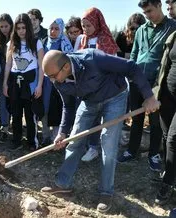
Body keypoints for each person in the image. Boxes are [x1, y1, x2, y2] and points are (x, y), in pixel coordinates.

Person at [40, 49, 160, 213]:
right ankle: (63, 184)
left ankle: (105, 192)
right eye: (49, 77)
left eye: (53, 76)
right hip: (89, 101)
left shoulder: (94, 59)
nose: (52, 80)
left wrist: (149, 96)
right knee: (74, 140)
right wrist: (62, 132)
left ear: (66, 67)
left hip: (115, 97)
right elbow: (68, 106)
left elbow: (131, 67)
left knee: (108, 146)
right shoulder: (58, 81)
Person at [118, 0, 176, 173]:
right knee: (136, 117)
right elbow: (135, 52)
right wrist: (131, 72)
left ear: (159, 5)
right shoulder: (142, 29)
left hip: (158, 83)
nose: (148, 15)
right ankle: (132, 150)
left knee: (156, 121)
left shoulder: (172, 27)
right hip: (137, 80)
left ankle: (154, 154)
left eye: (150, 11)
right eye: (145, 13)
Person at [74, 7, 119, 162]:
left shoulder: (105, 39)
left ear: (97, 23)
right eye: (83, 25)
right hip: (87, 85)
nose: (85, 29)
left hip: (103, 85)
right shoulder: (82, 40)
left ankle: (95, 148)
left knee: (100, 118)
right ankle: (84, 145)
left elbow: (113, 62)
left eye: (88, 25)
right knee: (87, 117)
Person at [3, 13, 44, 151]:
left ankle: (32, 141)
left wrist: (39, 85)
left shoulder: (36, 42)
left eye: (24, 28)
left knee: (30, 114)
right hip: (15, 81)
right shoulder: (11, 43)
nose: (21, 31)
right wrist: (5, 83)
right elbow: (8, 64)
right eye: (18, 28)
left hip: (31, 82)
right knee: (16, 113)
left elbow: (41, 65)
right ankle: (17, 140)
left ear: (28, 28)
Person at [40, 18, 72, 146]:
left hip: (59, 81)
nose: (53, 31)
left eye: (56, 29)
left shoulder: (65, 44)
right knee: (45, 107)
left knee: (58, 107)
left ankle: (56, 137)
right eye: (51, 28)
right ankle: (45, 135)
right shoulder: (44, 42)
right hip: (45, 82)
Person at [153, 31, 176, 205]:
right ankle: (169, 172)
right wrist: (157, 93)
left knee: (173, 139)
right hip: (167, 96)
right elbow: (165, 66)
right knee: (166, 135)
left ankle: (168, 182)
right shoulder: (174, 36)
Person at [0, 13, 13, 143]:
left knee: (12, 101)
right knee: (1, 101)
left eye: (6, 26)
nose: (4, 29)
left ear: (11, 25)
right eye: (1, 26)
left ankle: (11, 124)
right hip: (0, 76)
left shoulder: (15, 39)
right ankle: (4, 126)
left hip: (13, 74)